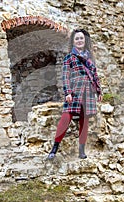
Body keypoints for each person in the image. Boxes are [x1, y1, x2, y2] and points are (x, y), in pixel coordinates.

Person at [47, 29, 102, 159]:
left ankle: (81, 151)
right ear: (73, 41)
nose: (79, 41)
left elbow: (95, 75)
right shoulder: (69, 58)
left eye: (81, 38)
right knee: (65, 118)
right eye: (76, 38)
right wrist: (67, 92)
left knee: (84, 121)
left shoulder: (90, 58)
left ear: (85, 40)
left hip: (88, 92)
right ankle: (54, 149)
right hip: (75, 91)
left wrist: (99, 90)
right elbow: (65, 76)